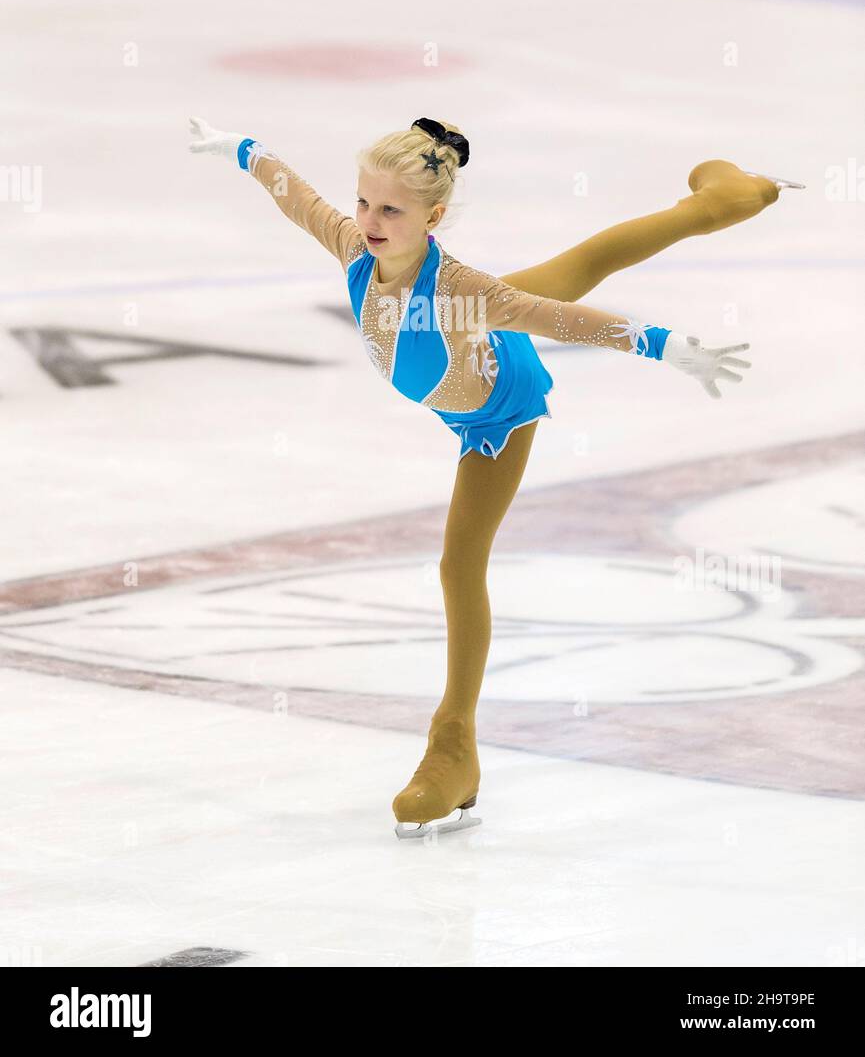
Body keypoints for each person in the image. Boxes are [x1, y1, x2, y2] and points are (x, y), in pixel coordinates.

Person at [188, 114, 802, 838]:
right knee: (590, 256)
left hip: (493, 413)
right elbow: (297, 198)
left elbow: (562, 321)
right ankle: (726, 197)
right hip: (465, 354)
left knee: (458, 563)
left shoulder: (463, 291)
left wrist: (666, 347)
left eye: (391, 209)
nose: (369, 220)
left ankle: (453, 745)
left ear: (432, 217)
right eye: (364, 202)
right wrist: (242, 149)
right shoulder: (355, 247)